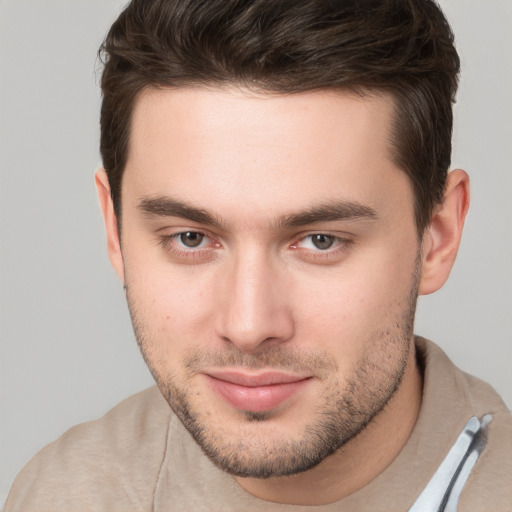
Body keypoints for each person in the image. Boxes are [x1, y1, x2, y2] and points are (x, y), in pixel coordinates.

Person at [5, 0, 511, 510]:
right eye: (191, 238)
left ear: (437, 236)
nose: (249, 326)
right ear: (116, 231)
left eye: (320, 240)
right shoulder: (61, 494)